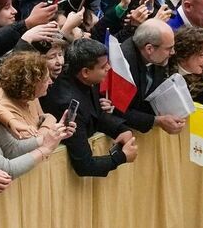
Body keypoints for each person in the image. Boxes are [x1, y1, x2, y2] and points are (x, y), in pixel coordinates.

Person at [38, 37, 139, 177]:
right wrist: (122, 157)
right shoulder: (67, 104)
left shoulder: (84, 77)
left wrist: (119, 129)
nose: (109, 69)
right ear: (85, 72)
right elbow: (84, 165)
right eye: (103, 67)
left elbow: (94, 114)